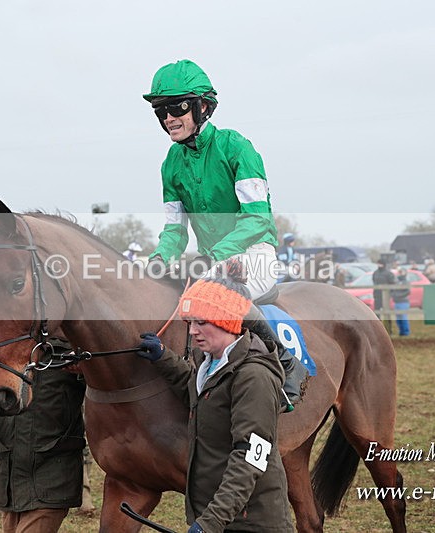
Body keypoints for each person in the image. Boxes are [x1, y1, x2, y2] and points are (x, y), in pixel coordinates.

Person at [143, 59, 306, 409]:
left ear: (203, 107)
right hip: (210, 260)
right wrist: (159, 258)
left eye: (177, 107)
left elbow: (257, 219)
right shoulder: (170, 164)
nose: (169, 117)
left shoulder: (236, 147)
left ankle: (286, 366)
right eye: (161, 111)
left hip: (253, 253)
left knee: (226, 296)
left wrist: (217, 254)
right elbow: (174, 230)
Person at [136, 273, 293, 533]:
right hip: (217, 515)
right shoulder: (208, 363)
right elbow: (201, 398)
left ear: (227, 320)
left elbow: (250, 457)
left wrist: (210, 522)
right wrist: (163, 358)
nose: (192, 331)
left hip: (250, 523)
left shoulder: (254, 377)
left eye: (202, 322)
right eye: (190, 322)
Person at [0, 337, 87, 532]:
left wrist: (90, 370)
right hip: (9, 485)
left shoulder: (72, 341)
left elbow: (114, 394)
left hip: (53, 480)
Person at [391, 269, 411, 336]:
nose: (399, 273)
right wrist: (394, 295)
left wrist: (398, 296)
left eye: (401, 272)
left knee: (403, 318)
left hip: (403, 302)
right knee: (398, 318)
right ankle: (401, 331)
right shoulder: (397, 282)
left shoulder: (406, 282)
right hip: (397, 302)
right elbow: (392, 290)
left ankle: (406, 332)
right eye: (399, 272)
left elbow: (408, 291)